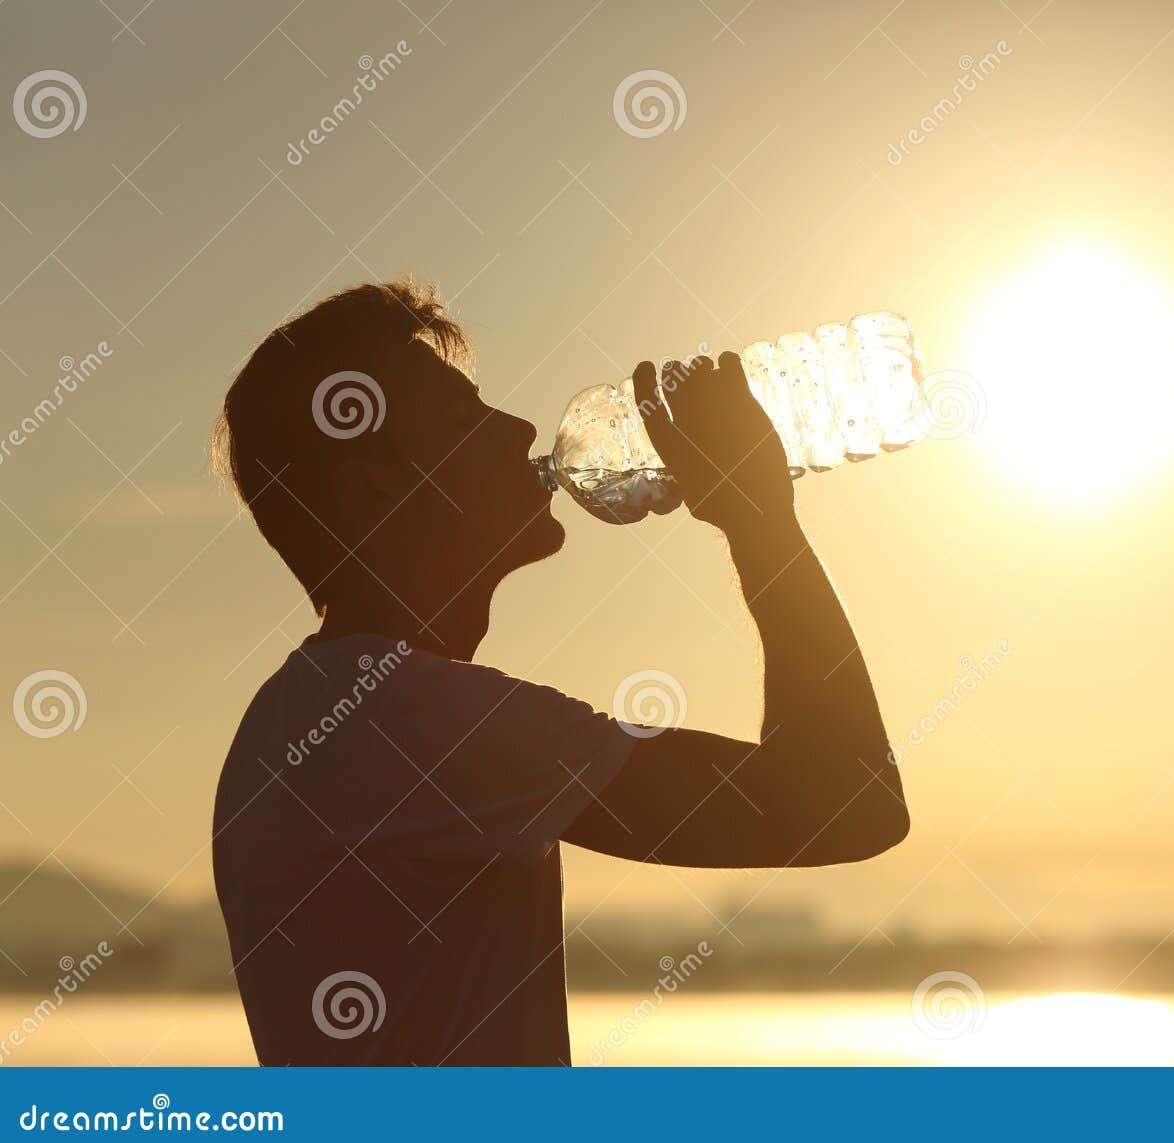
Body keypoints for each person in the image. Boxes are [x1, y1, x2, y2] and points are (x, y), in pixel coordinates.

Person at [210, 280, 908, 1065]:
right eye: (464, 420)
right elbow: (845, 802)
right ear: (377, 489)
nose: (517, 429)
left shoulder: (314, 716)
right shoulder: (402, 721)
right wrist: (759, 521)